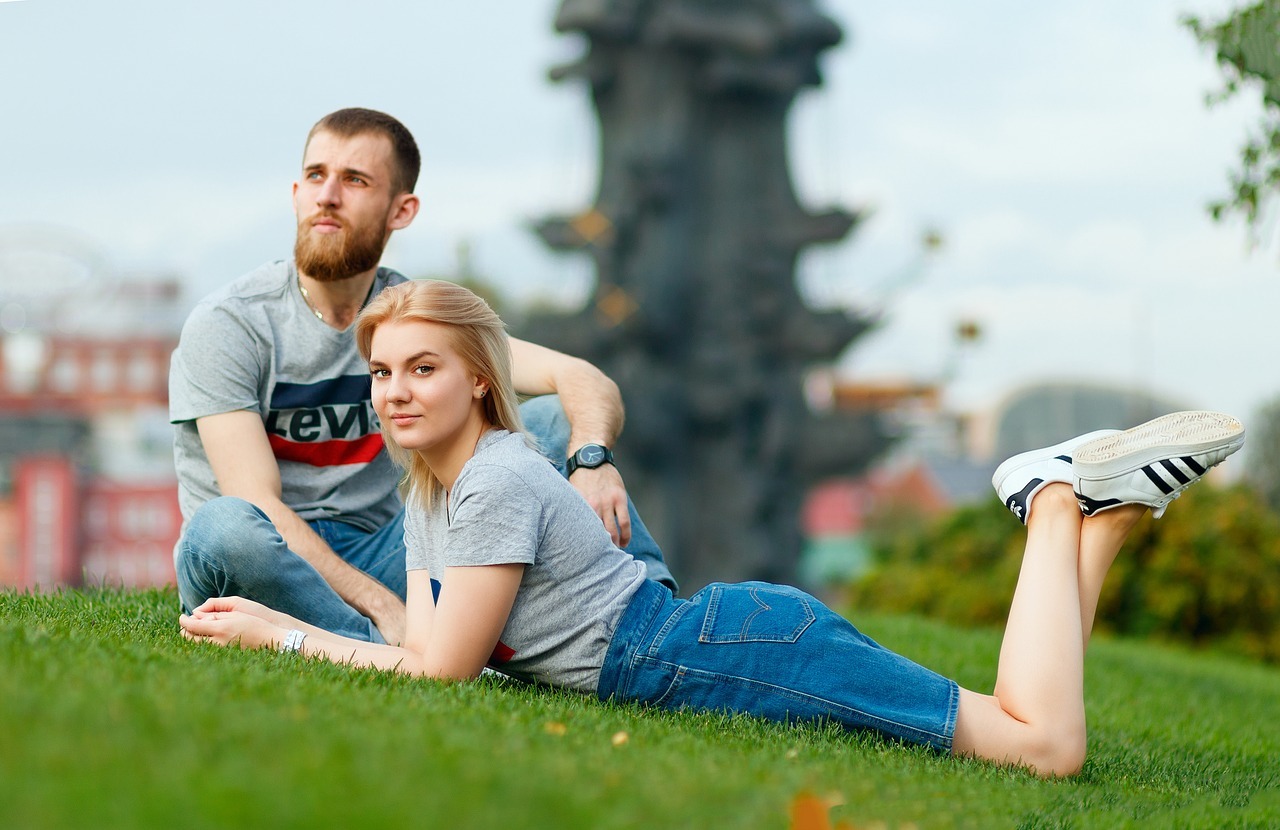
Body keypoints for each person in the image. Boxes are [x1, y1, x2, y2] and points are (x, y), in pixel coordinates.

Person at [180, 280, 1245, 777]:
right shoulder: (430, 489)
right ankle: (1097, 513)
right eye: (379, 372)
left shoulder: (494, 478)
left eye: (422, 368)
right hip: (713, 639)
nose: (394, 391)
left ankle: (1050, 499)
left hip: (724, 654)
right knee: (1014, 717)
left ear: (479, 381)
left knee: (1040, 746)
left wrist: (280, 631)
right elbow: (422, 641)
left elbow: (440, 671)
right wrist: (343, 625)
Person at [170, 108, 674, 647]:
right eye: (316, 176)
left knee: (550, 418)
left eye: (355, 180)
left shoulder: (410, 318)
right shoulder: (231, 323)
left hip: (387, 547)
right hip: (266, 555)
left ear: (401, 209)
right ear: (296, 192)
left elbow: (580, 377)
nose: (328, 195)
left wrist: (591, 458)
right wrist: (386, 605)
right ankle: (387, 648)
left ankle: (652, 620)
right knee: (225, 528)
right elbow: (259, 504)